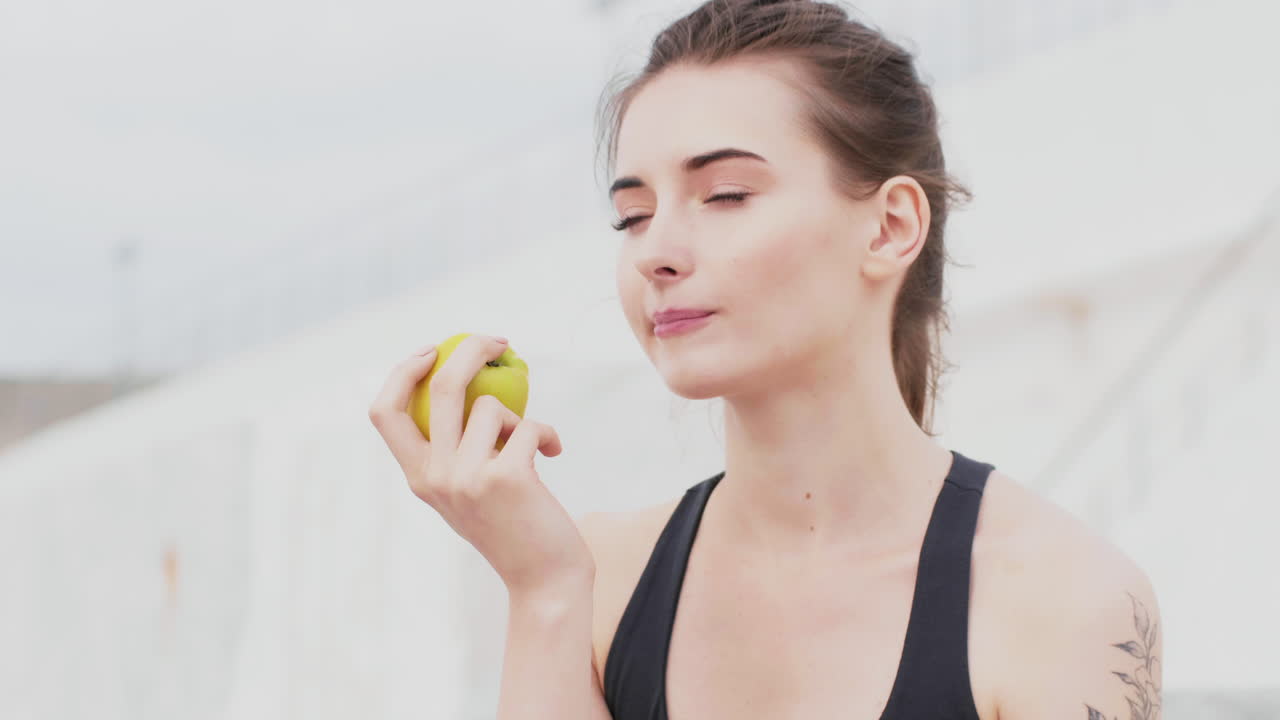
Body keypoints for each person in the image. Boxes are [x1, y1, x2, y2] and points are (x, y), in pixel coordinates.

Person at [368, 1, 1163, 718]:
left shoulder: (1062, 601)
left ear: (890, 227)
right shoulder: (594, 578)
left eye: (725, 195)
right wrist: (541, 591)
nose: (654, 253)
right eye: (633, 216)